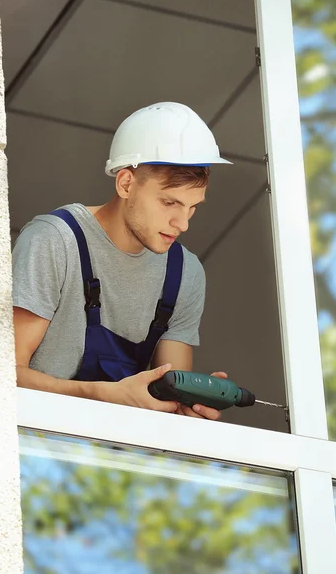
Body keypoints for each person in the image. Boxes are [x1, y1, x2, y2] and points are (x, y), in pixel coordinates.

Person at [12, 102, 232, 420]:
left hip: (115, 462)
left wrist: (186, 407)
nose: (182, 224)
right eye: (170, 202)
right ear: (126, 183)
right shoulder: (54, 240)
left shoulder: (186, 274)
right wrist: (100, 395)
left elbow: (169, 400)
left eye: (192, 207)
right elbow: (6, 375)